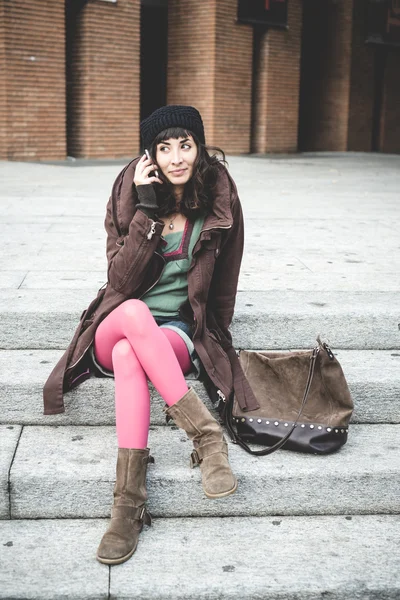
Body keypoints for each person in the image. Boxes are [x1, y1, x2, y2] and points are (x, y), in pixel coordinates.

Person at [43, 105, 258, 565]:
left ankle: (127, 504)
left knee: (129, 357)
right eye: (164, 148)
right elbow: (120, 284)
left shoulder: (218, 199)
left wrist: (217, 337)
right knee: (133, 318)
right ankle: (207, 438)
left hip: (178, 331)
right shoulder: (129, 196)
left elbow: (224, 283)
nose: (176, 157)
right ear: (151, 157)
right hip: (119, 317)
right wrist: (146, 210)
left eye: (185, 145)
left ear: (199, 149)